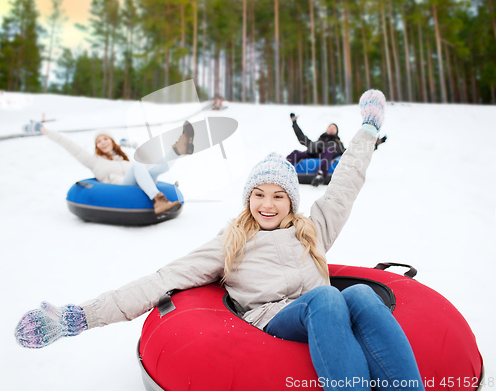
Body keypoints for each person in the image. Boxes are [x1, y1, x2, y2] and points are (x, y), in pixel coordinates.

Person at [15, 90, 424, 390]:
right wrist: (79, 316)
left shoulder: (313, 228)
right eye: (259, 195)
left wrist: (369, 127)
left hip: (324, 313)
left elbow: (346, 181)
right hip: (273, 319)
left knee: (361, 298)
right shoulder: (232, 240)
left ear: (291, 201)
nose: (268, 204)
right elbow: (162, 279)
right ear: (249, 199)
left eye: (279, 196)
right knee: (329, 297)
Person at [24, 120, 195, 216]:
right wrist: (43, 129)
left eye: (106, 138)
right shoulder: (93, 161)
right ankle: (158, 201)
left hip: (139, 182)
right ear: (96, 146)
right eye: (99, 140)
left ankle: (178, 150)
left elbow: (149, 167)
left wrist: (137, 148)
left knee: (152, 168)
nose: (103, 142)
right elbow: (69, 145)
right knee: (138, 164)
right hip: (119, 188)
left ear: (112, 141)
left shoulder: (124, 159)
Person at [286, 116, 346, 186]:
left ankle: (320, 174)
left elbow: (348, 152)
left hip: (327, 155)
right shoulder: (318, 142)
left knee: (329, 150)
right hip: (313, 153)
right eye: (330, 127)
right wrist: (294, 123)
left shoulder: (338, 144)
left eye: (334, 128)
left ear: (336, 132)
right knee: (296, 152)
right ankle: (283, 168)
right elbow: (302, 138)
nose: (331, 128)